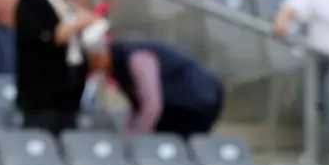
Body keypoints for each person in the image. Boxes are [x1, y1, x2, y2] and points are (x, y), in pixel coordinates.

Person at [82, 22, 224, 138]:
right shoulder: (119, 67)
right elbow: (137, 106)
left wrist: (135, 140)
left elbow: (152, 105)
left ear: (101, 56)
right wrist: (127, 136)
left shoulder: (136, 57)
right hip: (180, 104)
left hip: (196, 100)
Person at [15, 0, 94, 135]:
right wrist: (77, 23)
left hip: (69, 92)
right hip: (43, 93)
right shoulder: (32, 0)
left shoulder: (63, 3)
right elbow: (46, 36)